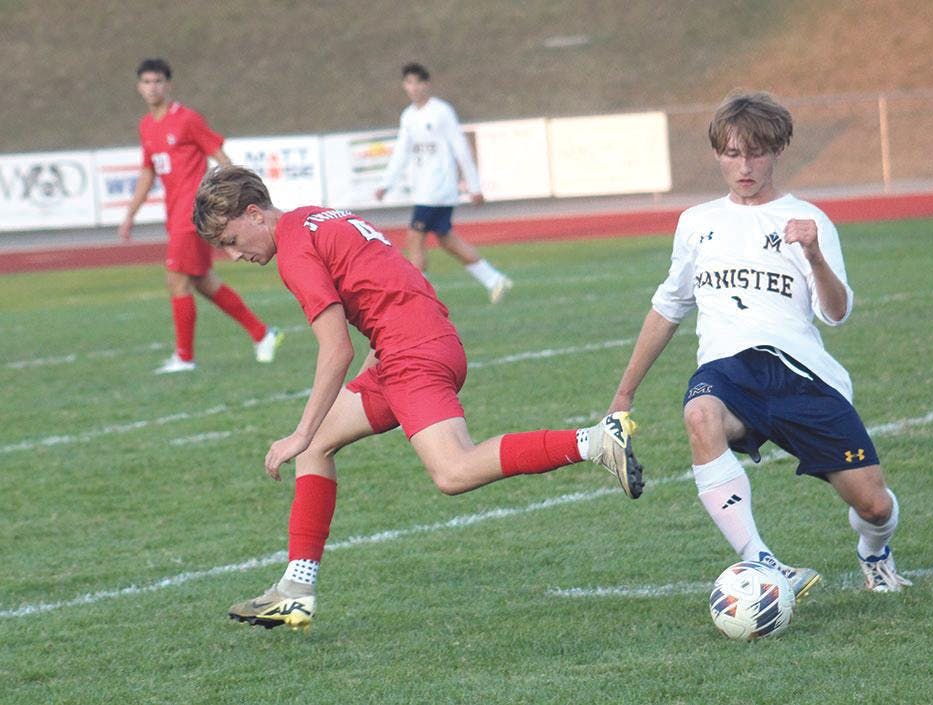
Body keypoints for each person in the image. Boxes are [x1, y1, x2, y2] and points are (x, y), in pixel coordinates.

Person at [192, 165, 644, 630]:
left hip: (413, 352)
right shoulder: (317, 217)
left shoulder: (294, 250)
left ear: (253, 214)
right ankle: (296, 588)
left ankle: (594, 441)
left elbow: (335, 349)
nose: (231, 255)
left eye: (229, 239)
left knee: (452, 470)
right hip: (410, 344)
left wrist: (297, 431)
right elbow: (390, 283)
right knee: (317, 448)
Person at [608, 91, 911, 596]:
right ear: (717, 156)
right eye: (731, 153)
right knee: (700, 414)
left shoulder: (807, 220)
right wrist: (624, 393)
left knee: (874, 506)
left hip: (801, 375)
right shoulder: (696, 223)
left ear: (777, 152)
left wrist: (813, 253)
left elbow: (835, 314)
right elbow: (668, 307)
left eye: (755, 153)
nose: (744, 165)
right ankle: (762, 561)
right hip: (729, 369)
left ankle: (875, 552)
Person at [118, 58, 282, 374]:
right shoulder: (146, 126)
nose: (153, 87)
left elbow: (219, 155)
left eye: (158, 81)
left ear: (168, 85)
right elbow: (147, 172)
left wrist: (238, 194)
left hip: (191, 215)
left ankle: (184, 357)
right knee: (204, 282)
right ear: (139, 87)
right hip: (174, 215)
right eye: (147, 82)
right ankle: (263, 334)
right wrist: (130, 215)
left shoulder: (187, 119)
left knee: (176, 281)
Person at [373, 62, 513, 304]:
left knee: (414, 237)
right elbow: (402, 152)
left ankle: (419, 295)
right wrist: (387, 183)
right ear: (404, 86)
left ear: (427, 84)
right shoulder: (408, 116)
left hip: (439, 188)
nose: (413, 88)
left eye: (418, 82)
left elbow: (460, 148)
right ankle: (494, 279)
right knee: (446, 239)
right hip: (423, 188)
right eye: (409, 83)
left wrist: (474, 186)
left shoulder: (441, 112)